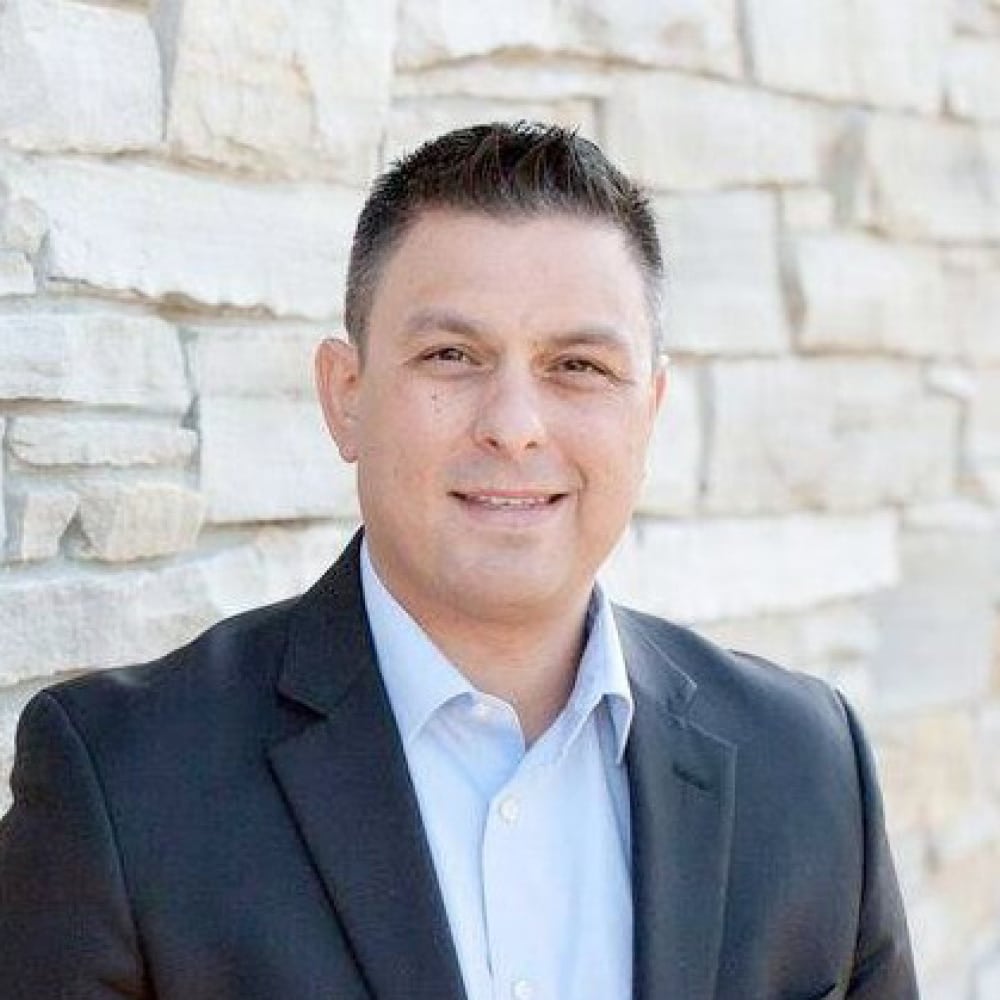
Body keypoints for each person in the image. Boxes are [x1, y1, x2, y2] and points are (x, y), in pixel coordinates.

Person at [0, 122, 917, 1000]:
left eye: (579, 367)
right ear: (346, 397)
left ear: (650, 409)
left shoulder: (810, 766)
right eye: (452, 355)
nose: (514, 426)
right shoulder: (122, 785)